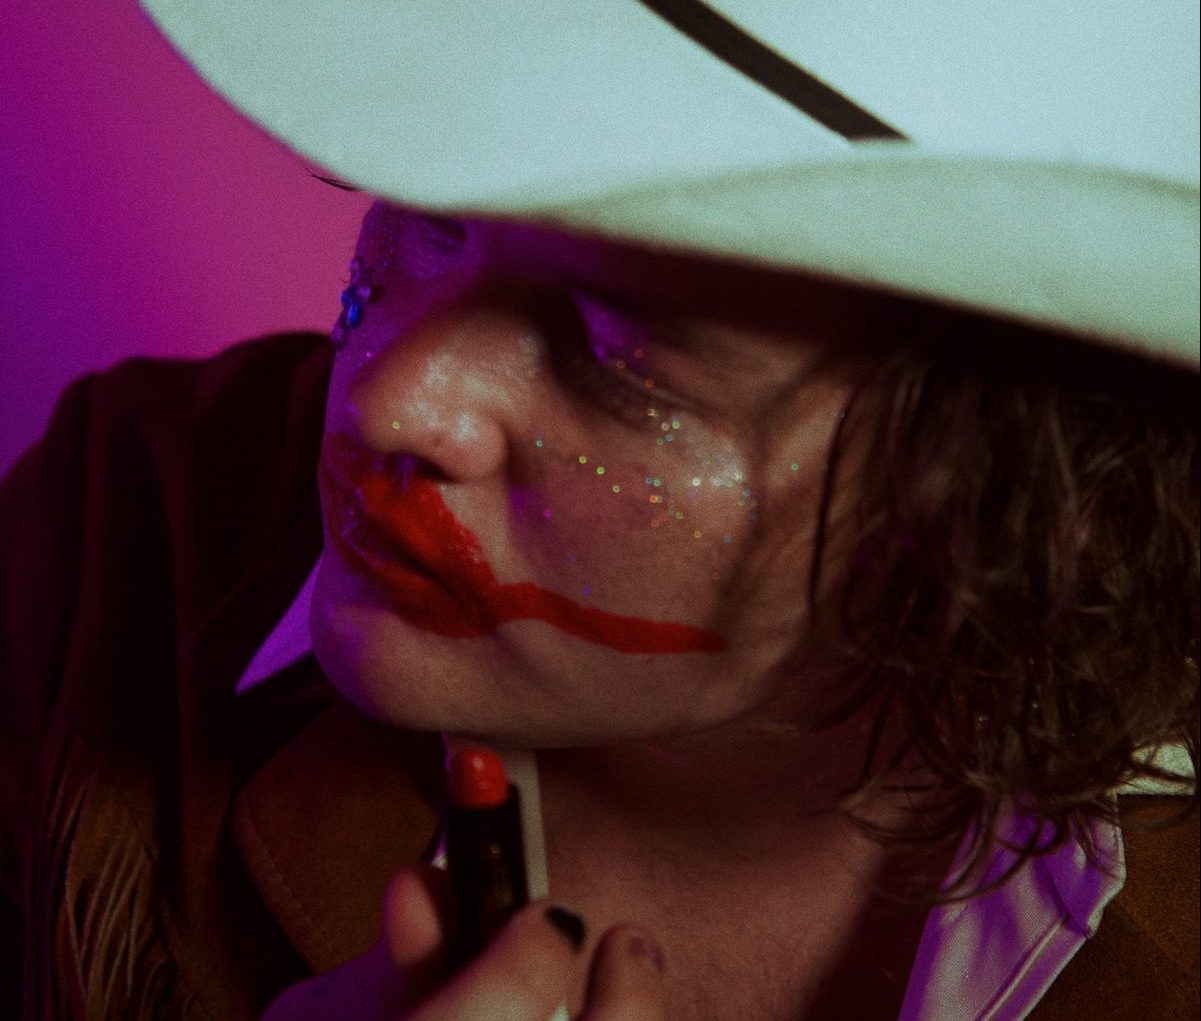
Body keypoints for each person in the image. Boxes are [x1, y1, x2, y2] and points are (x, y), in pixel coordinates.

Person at [2, 3, 1197, 1020]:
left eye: (620, 355)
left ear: (1012, 494)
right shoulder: (122, 528)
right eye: (430, 220)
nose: (391, 397)